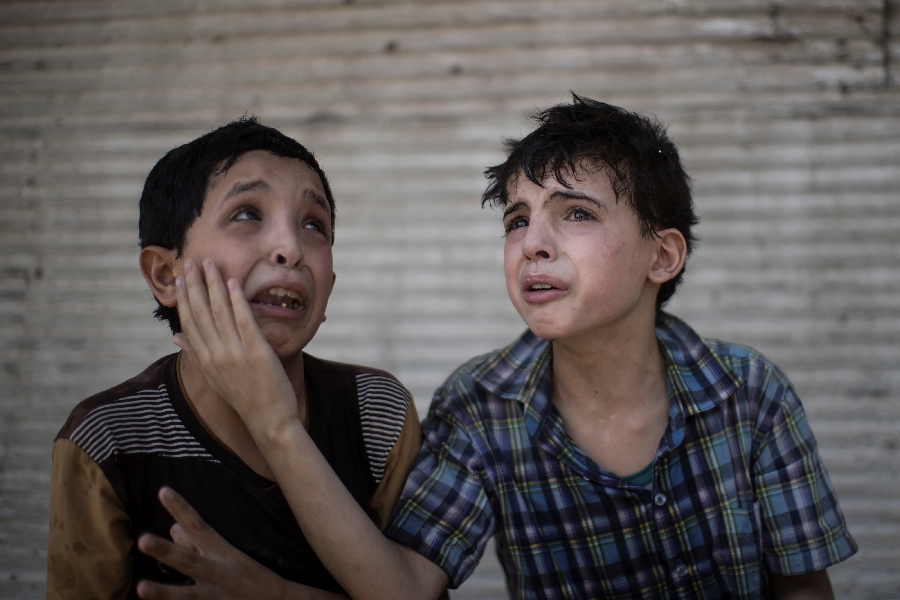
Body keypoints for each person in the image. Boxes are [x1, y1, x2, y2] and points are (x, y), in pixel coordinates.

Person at [136, 96, 857, 599]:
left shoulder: (749, 391)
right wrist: (274, 421)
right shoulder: (480, 408)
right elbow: (406, 587)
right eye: (517, 220)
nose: (533, 243)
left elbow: (802, 584)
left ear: (660, 257)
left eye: (575, 214)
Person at [46, 118, 423, 599]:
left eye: (314, 224)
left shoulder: (376, 412)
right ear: (165, 274)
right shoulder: (108, 438)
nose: (290, 248)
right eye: (247, 214)